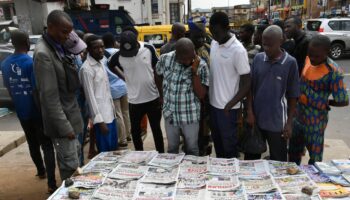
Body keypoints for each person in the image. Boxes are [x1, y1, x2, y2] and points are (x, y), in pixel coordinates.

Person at [1, 30, 57, 193]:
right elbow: (36, 91)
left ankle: (41, 171)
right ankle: (51, 184)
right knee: (47, 145)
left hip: (21, 111)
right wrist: (43, 111)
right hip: (36, 112)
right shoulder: (30, 62)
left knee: (32, 143)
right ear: (27, 42)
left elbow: (10, 89)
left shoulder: (5, 64)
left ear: (12, 43)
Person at [33, 10, 83, 181]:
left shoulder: (58, 44)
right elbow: (49, 99)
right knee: (70, 171)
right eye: (64, 32)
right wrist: (66, 128)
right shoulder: (43, 54)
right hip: (63, 125)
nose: (67, 36)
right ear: (51, 27)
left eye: (70, 32)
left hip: (71, 118)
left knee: (76, 166)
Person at [289, 35, 349, 165]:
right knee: (293, 150)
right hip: (298, 115)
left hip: (315, 120)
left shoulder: (334, 72)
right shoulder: (308, 60)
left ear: (327, 53)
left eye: (316, 56)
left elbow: (344, 101)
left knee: (315, 156)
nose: (312, 59)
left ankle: (314, 179)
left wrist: (325, 103)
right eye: (310, 55)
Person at [246, 25, 300, 161]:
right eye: (264, 44)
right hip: (257, 120)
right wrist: (250, 112)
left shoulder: (290, 63)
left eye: (270, 45)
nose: (266, 48)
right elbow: (250, 88)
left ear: (281, 42)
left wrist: (289, 123)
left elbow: (293, 95)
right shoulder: (258, 59)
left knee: (278, 161)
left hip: (277, 123)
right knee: (251, 159)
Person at [108, 30, 165, 153]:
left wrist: (161, 95)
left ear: (137, 43)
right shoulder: (118, 55)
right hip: (134, 101)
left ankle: (161, 154)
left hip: (152, 98)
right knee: (135, 131)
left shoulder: (148, 49)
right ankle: (139, 154)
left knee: (156, 129)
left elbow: (157, 71)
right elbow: (110, 64)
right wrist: (123, 77)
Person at [156, 38, 209, 156]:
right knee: (172, 149)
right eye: (183, 60)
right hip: (170, 113)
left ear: (194, 51)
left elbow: (201, 94)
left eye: (190, 58)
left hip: (189, 115)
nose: (187, 61)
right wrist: (161, 94)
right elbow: (157, 73)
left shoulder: (202, 65)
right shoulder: (165, 59)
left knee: (192, 149)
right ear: (176, 54)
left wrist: (194, 72)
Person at [209, 12, 251, 158]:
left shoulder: (238, 50)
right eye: (212, 32)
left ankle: (233, 178)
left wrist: (230, 104)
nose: (214, 36)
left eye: (217, 32)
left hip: (228, 110)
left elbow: (247, 83)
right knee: (218, 145)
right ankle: (221, 178)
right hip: (213, 107)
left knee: (230, 148)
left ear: (227, 28)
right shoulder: (214, 43)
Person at [79, 34, 118, 152]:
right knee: (105, 154)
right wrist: (100, 121)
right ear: (89, 50)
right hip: (102, 119)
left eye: (102, 47)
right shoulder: (86, 69)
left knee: (113, 151)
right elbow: (90, 98)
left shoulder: (101, 63)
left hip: (110, 114)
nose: (100, 50)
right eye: (96, 48)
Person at [64, 30, 88, 166]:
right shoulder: (62, 59)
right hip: (72, 106)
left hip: (81, 103)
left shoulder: (76, 57)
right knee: (75, 140)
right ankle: (77, 166)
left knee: (81, 136)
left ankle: (81, 163)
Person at [102, 32, 130, 148]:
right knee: (125, 112)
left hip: (113, 89)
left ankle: (122, 139)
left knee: (118, 114)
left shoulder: (102, 56)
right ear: (114, 42)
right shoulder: (119, 53)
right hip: (124, 85)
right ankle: (128, 135)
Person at [188, 17, 212, 156]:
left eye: (203, 37)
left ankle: (204, 146)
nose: (201, 41)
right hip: (189, 96)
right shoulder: (185, 49)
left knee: (204, 123)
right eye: (197, 37)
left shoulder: (209, 48)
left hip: (205, 94)